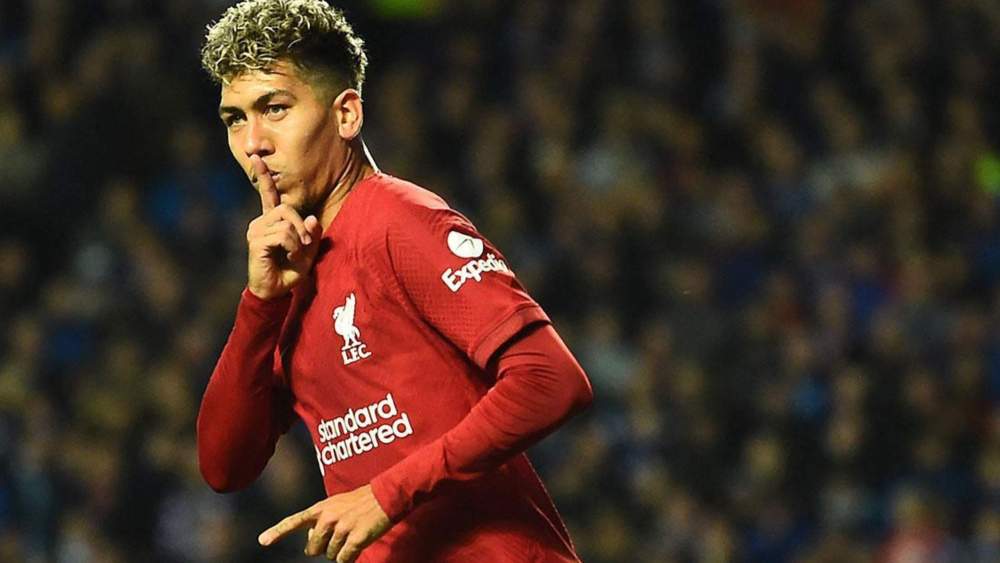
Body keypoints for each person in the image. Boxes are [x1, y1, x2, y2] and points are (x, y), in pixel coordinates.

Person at [195, 1, 594, 561]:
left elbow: (552, 380)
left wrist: (387, 493)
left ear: (346, 115)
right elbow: (224, 466)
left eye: (275, 108)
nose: (253, 142)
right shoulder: (292, 272)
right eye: (235, 118)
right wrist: (261, 303)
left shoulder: (399, 221)